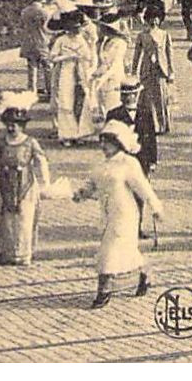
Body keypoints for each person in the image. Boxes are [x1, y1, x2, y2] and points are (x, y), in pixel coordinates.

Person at [72, 121, 163, 309]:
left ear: (118, 143)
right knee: (126, 250)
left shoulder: (128, 163)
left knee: (109, 251)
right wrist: (82, 193)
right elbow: (92, 184)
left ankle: (103, 291)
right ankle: (143, 274)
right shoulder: (101, 164)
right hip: (107, 214)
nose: (103, 146)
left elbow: (143, 187)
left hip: (125, 214)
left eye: (108, 142)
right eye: (102, 141)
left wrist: (155, 207)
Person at [0, 94, 55, 265]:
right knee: (6, 218)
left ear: (22, 126)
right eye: (9, 125)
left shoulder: (30, 142)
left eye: (15, 125)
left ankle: (23, 254)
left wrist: (45, 182)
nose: (11, 128)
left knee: (25, 218)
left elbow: (41, 160)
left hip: (26, 185)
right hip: (5, 182)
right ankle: (8, 253)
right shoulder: (1, 143)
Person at [51, 8, 99, 146]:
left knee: (81, 101)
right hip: (66, 72)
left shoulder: (83, 39)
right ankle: (67, 135)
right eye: (73, 28)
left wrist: (89, 50)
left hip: (81, 72)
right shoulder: (61, 40)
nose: (76, 31)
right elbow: (52, 57)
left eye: (78, 28)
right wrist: (68, 56)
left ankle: (80, 133)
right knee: (66, 102)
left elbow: (90, 57)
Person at [132, 4, 176, 135]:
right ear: (147, 19)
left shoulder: (164, 34)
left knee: (161, 98)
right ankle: (151, 126)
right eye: (151, 18)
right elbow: (137, 54)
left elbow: (169, 54)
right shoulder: (142, 35)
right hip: (147, 70)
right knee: (147, 99)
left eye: (157, 18)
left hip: (160, 70)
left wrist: (171, 71)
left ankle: (163, 125)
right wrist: (134, 71)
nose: (154, 21)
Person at [91, 14, 132, 118]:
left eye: (102, 27)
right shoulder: (104, 42)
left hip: (114, 77)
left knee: (112, 105)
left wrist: (103, 78)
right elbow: (101, 61)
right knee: (102, 104)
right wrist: (95, 74)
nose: (100, 29)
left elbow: (115, 64)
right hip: (103, 76)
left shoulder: (120, 43)